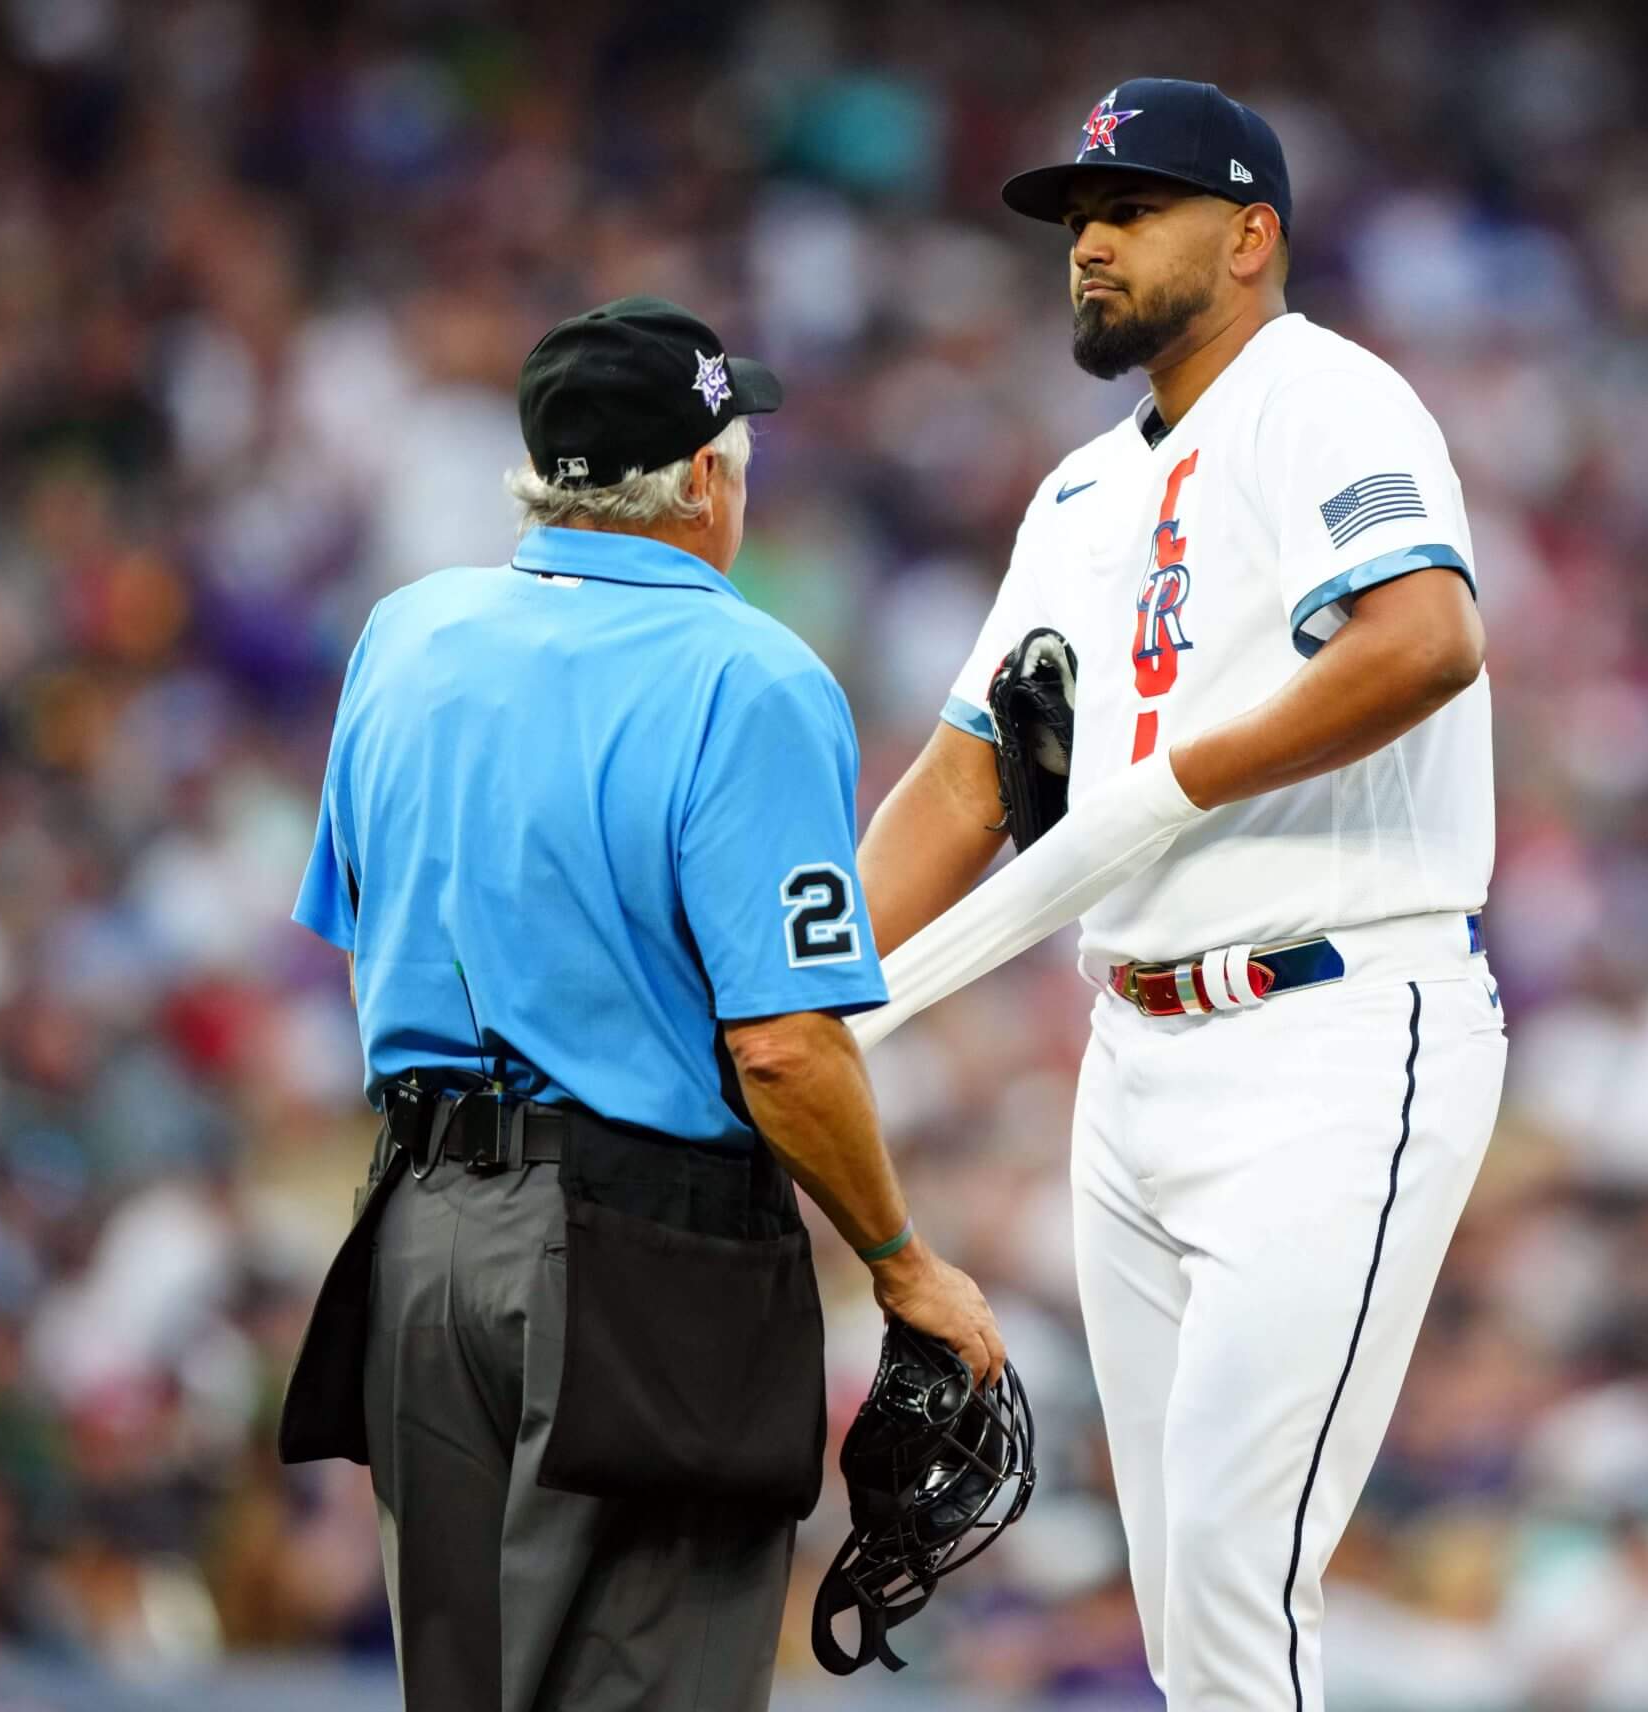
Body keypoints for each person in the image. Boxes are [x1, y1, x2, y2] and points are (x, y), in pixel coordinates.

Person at [856, 80, 1505, 1711]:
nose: (1088, 243)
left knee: (1232, 1572)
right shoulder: (1079, 496)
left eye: (1129, 209)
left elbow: (1427, 638)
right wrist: (800, 988)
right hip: (1133, 1058)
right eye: (1077, 218)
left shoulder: (1325, 397)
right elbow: (967, 780)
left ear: (1248, 234)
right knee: (1180, 1612)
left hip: (1332, 1025)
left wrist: (1175, 782)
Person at [279, 296, 1005, 1712]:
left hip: (418, 1239)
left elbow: (360, 925)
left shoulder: (405, 635)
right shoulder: (754, 675)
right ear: (711, 479)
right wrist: (903, 1263)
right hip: (645, 1255)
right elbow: (787, 1045)